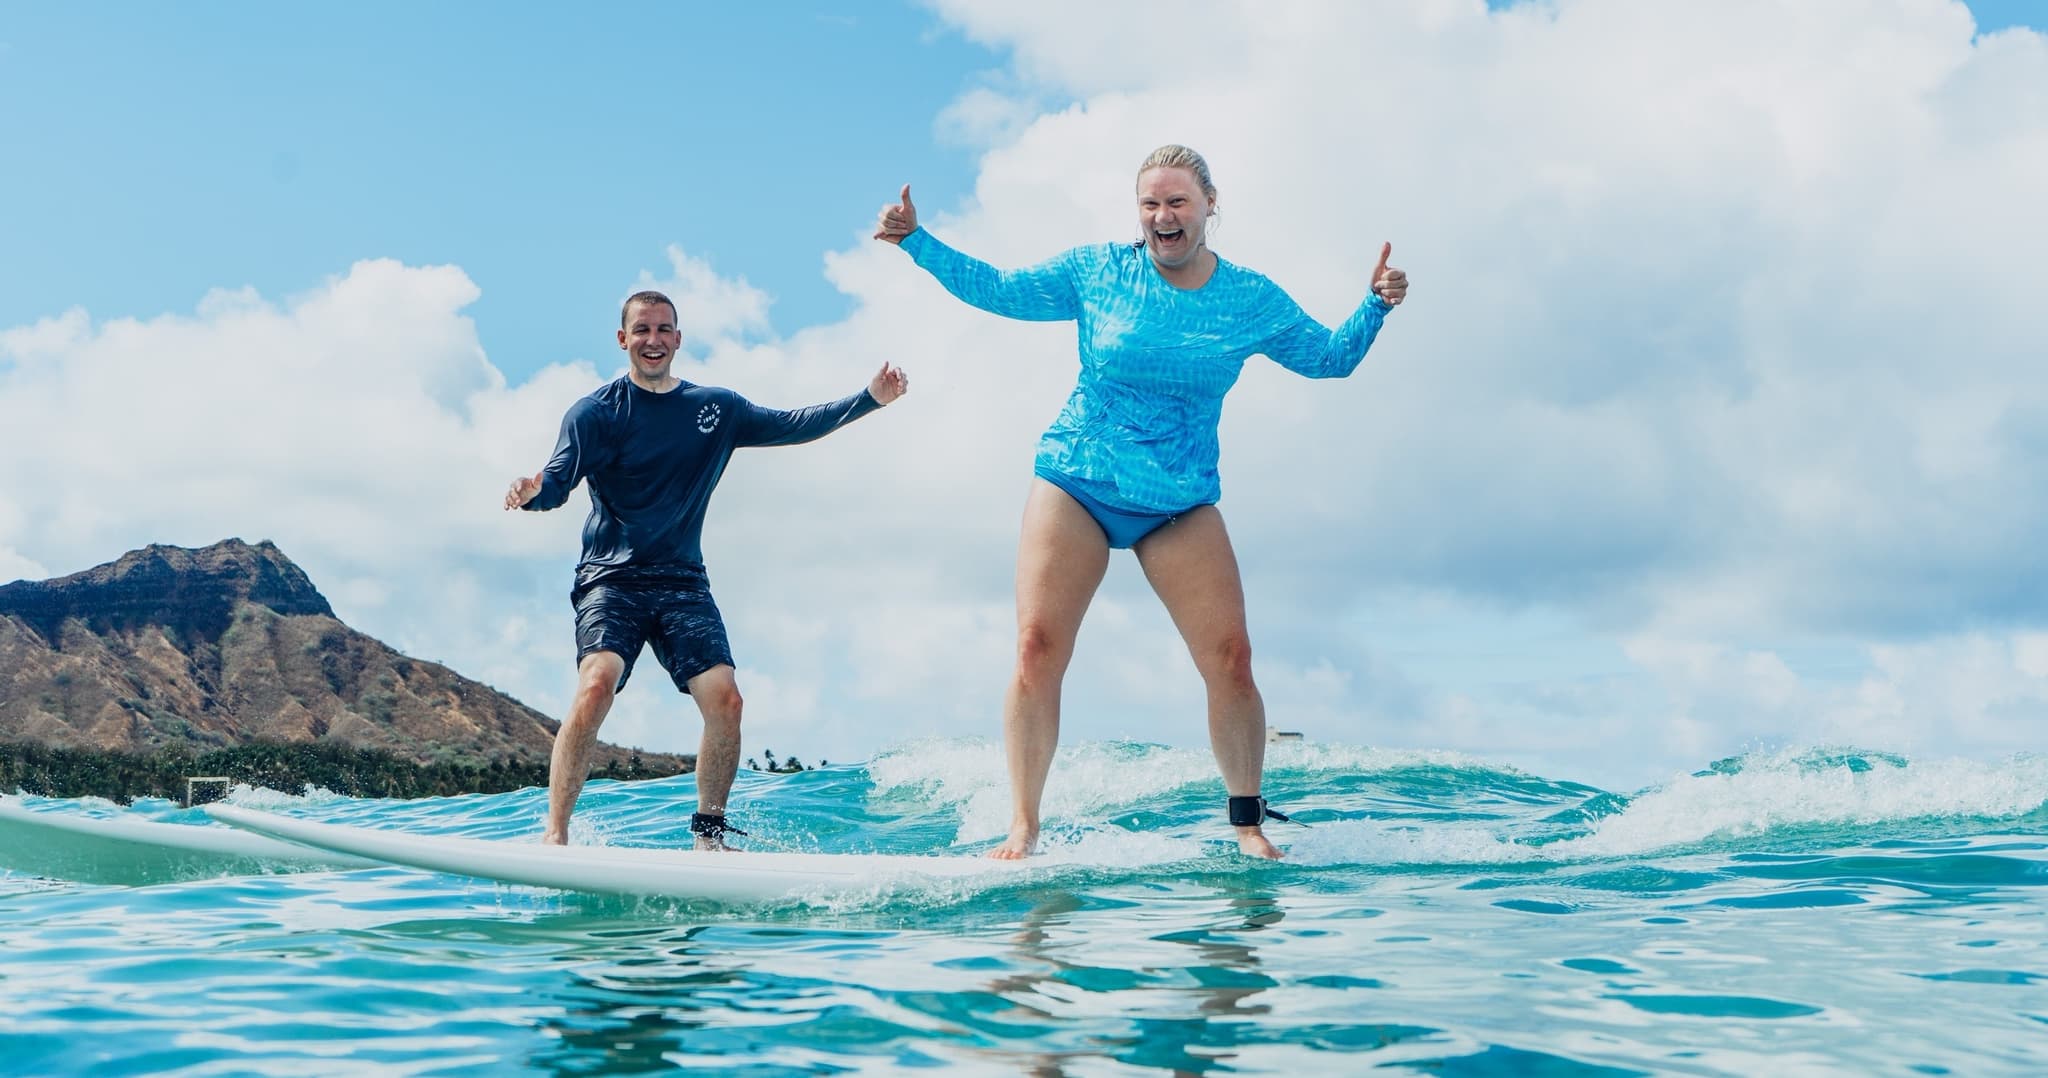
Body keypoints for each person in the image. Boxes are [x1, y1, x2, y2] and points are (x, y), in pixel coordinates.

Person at [873, 144, 1407, 860]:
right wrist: (917, 241)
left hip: (1177, 502)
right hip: (1078, 479)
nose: (1163, 216)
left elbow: (1329, 359)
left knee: (1231, 659)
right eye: (1150, 203)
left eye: (1178, 201)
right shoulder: (1098, 271)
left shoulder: (1248, 298)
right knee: (1036, 648)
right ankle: (1023, 826)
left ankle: (1247, 824)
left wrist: (1375, 304)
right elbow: (999, 289)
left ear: (1210, 205)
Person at [506, 290, 909, 848]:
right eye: (642, 330)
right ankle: (555, 834)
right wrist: (532, 494)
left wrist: (868, 399)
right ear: (623, 339)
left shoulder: (715, 409)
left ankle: (709, 836)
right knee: (596, 685)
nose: (653, 340)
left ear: (678, 338)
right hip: (612, 579)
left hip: (681, 582)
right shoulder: (595, 413)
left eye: (663, 329)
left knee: (726, 700)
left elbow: (792, 423)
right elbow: (556, 481)